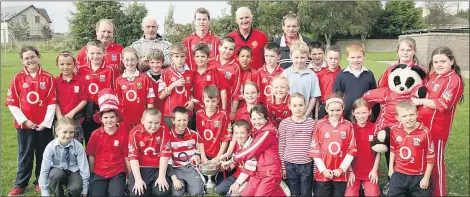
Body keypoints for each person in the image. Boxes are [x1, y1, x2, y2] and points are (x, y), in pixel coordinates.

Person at [412, 46, 464, 197]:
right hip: (422, 126)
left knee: (435, 164)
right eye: (436, 62)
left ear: (452, 61)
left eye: (443, 61)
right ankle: (424, 191)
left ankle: (440, 193)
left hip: (437, 130)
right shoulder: (434, 76)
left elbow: (443, 104)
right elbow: (426, 94)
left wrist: (420, 101)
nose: (439, 65)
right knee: (423, 161)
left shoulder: (454, 80)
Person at [6, 46, 56, 196]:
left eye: (32, 57)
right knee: (25, 155)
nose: (30, 60)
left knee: (43, 154)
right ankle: (20, 184)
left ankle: (41, 182)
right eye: (26, 58)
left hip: (43, 126)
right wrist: (25, 121)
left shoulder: (48, 78)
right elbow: (12, 103)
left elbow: (52, 103)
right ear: (22, 60)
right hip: (25, 126)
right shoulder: (18, 78)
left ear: (38, 57)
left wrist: (45, 123)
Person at [230, 104, 285, 196]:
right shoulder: (256, 132)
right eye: (254, 119)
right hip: (257, 172)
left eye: (260, 118)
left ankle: (279, 190)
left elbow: (252, 150)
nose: (257, 121)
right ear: (250, 120)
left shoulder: (267, 132)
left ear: (266, 119)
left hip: (270, 173)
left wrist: (233, 159)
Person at [309, 93, 357, 197]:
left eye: (338, 110)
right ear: (326, 109)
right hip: (323, 174)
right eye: (332, 110)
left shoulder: (348, 125)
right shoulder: (319, 125)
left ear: (343, 108)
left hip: (340, 174)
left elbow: (352, 150)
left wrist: (342, 169)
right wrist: (323, 170)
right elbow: (315, 150)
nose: (335, 113)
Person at [86, 89, 130, 196]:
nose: (109, 120)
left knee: (116, 194)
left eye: (112, 117)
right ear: (101, 119)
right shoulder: (95, 134)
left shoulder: (123, 134)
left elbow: (126, 157)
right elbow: (91, 156)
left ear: (117, 118)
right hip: (99, 171)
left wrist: (129, 176)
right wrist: (92, 174)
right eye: (105, 117)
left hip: (117, 171)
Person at [388, 101, 435, 196]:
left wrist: (426, 178)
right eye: (404, 116)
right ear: (398, 118)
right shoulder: (394, 130)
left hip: (419, 175)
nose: (408, 118)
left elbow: (430, 157)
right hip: (399, 173)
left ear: (417, 114)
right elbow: (393, 150)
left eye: (411, 115)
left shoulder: (425, 132)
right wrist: (390, 169)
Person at [76, 39, 116, 145]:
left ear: (104, 53)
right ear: (86, 53)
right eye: (92, 53)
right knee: (87, 137)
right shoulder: (81, 69)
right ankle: (87, 160)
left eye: (98, 53)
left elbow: (112, 91)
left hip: (101, 108)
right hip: (84, 108)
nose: (95, 56)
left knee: (102, 138)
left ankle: (101, 161)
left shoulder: (109, 70)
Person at [38, 118, 90, 197]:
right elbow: (44, 169)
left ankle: (71, 192)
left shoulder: (78, 146)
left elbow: (84, 167)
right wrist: (44, 190)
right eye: (64, 132)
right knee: (56, 176)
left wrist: (85, 188)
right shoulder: (50, 147)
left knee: (77, 187)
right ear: (57, 131)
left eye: (71, 132)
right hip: (57, 170)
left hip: (73, 170)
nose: (68, 135)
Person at [128, 108, 173, 197]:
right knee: (137, 194)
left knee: (162, 193)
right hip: (141, 167)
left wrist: (161, 176)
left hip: (158, 167)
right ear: (142, 121)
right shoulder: (134, 132)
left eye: (157, 123)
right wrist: (138, 179)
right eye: (150, 122)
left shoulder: (164, 129)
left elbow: (164, 154)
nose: (153, 126)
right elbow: (133, 158)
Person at [278, 93, 315, 196]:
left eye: (300, 105)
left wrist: (315, 168)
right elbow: (281, 146)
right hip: (290, 164)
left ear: (305, 105)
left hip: (306, 164)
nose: (298, 108)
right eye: (294, 105)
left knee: (306, 191)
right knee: (294, 192)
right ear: (289, 106)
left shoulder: (312, 123)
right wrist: (283, 167)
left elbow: (315, 146)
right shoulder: (284, 124)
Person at [333, 42, 379, 122]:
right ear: (347, 57)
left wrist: (375, 115)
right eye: (352, 57)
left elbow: (374, 97)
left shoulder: (369, 75)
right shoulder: (341, 75)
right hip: (347, 115)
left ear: (364, 57)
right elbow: (337, 97)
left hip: (364, 115)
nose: (356, 60)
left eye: (359, 57)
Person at [345, 98, 380, 197]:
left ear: (369, 112)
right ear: (353, 113)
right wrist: (350, 171)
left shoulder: (375, 128)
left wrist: (374, 169)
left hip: (370, 171)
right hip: (353, 171)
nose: (361, 116)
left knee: (373, 194)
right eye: (358, 113)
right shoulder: (350, 129)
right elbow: (346, 152)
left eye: (364, 112)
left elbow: (378, 151)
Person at [167, 107, 205, 196]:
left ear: (188, 119)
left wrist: (197, 156)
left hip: (190, 167)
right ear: (173, 120)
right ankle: (181, 184)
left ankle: (190, 183)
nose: (182, 123)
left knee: (197, 192)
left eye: (184, 120)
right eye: (179, 120)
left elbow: (198, 149)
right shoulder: (168, 137)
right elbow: (167, 160)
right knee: (177, 194)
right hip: (176, 169)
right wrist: (175, 179)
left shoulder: (194, 134)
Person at [115, 47, 155, 128]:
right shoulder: (119, 80)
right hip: (124, 120)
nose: (130, 62)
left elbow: (150, 100)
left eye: (132, 59)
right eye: (127, 59)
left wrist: (149, 118)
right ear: (122, 61)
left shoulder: (145, 78)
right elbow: (117, 101)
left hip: (142, 120)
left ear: (137, 60)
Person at [281, 41, 321, 118]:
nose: (299, 61)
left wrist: (305, 116)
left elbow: (313, 98)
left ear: (308, 57)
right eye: (296, 57)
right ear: (290, 56)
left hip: (306, 116)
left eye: (302, 57)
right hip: (288, 116)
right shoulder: (285, 74)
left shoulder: (312, 76)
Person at [54, 52, 87, 143]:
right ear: (57, 65)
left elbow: (84, 100)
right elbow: (54, 101)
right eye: (62, 64)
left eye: (69, 64)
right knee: (60, 144)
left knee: (76, 143)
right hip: (60, 118)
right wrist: (59, 116)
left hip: (76, 118)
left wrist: (72, 113)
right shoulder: (55, 81)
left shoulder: (81, 80)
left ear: (74, 64)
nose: (65, 67)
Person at [159, 43, 195, 129]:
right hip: (170, 113)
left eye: (182, 56)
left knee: (186, 138)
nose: (180, 60)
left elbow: (192, 92)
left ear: (186, 57)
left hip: (186, 113)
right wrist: (173, 85)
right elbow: (161, 95)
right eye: (177, 56)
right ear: (171, 57)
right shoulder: (165, 73)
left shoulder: (191, 73)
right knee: (171, 138)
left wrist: (192, 101)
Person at [196, 85, 232, 165]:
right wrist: (203, 156)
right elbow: (200, 138)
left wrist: (219, 156)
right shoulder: (199, 114)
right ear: (203, 99)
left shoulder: (224, 115)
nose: (210, 104)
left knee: (218, 177)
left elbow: (226, 138)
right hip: (205, 154)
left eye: (213, 101)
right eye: (207, 101)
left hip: (219, 154)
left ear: (218, 100)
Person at [217, 120, 253, 196]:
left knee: (229, 195)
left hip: (248, 178)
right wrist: (228, 167)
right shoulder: (238, 143)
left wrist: (237, 183)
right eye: (236, 133)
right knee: (218, 190)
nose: (239, 136)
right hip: (237, 175)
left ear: (249, 133)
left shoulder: (251, 146)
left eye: (242, 133)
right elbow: (236, 161)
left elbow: (250, 170)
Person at [192, 43, 227, 112]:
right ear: (193, 57)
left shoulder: (214, 70)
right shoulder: (191, 72)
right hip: (197, 110)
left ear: (208, 57)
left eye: (203, 56)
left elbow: (223, 90)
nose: (200, 59)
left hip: (213, 110)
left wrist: (223, 110)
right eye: (197, 56)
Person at [215, 36, 241, 120]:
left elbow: (236, 91)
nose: (227, 51)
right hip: (209, 106)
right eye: (225, 48)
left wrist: (233, 112)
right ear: (219, 47)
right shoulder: (210, 62)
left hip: (226, 108)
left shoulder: (235, 67)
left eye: (231, 49)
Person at [316, 45, 342, 119]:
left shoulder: (343, 74)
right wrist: (316, 114)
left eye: (336, 58)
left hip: (338, 108)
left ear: (340, 59)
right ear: (326, 58)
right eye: (330, 58)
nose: (333, 61)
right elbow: (317, 96)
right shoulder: (319, 74)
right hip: (323, 106)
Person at [146, 49, 166, 115]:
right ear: (148, 62)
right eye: (152, 62)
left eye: (158, 62)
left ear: (163, 62)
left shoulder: (167, 75)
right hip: (149, 113)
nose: (155, 65)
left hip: (165, 112)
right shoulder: (144, 77)